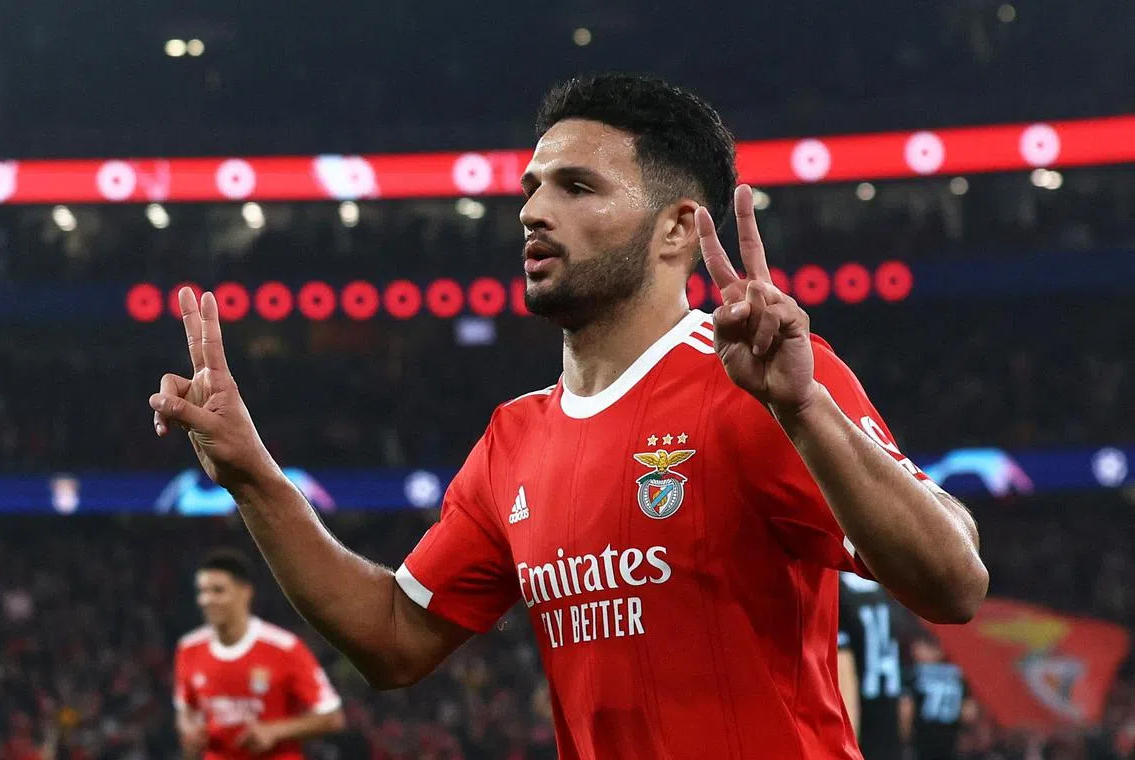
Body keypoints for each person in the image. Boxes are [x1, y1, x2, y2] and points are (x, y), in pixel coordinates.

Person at [149, 73, 988, 759]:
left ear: (676, 231)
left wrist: (805, 413)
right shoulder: (514, 439)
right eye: (532, 187)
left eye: (576, 186)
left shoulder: (765, 379)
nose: (531, 210)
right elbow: (395, 638)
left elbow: (955, 581)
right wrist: (254, 478)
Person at [173, 548, 345, 759]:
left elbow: (332, 717)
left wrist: (274, 731)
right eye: (202, 591)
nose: (206, 600)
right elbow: (186, 710)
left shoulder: (284, 648)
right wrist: (189, 730)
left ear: (245, 592)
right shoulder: (189, 648)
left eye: (218, 591)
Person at [837, 572, 911, 760]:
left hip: (865, 720)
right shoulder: (887, 585)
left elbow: (843, 667)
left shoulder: (839, 588)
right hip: (882, 718)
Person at [902, 633, 975, 760]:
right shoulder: (957, 675)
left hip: (921, 740)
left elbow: (906, 709)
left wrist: (904, 739)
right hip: (950, 741)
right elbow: (969, 713)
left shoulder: (914, 674)